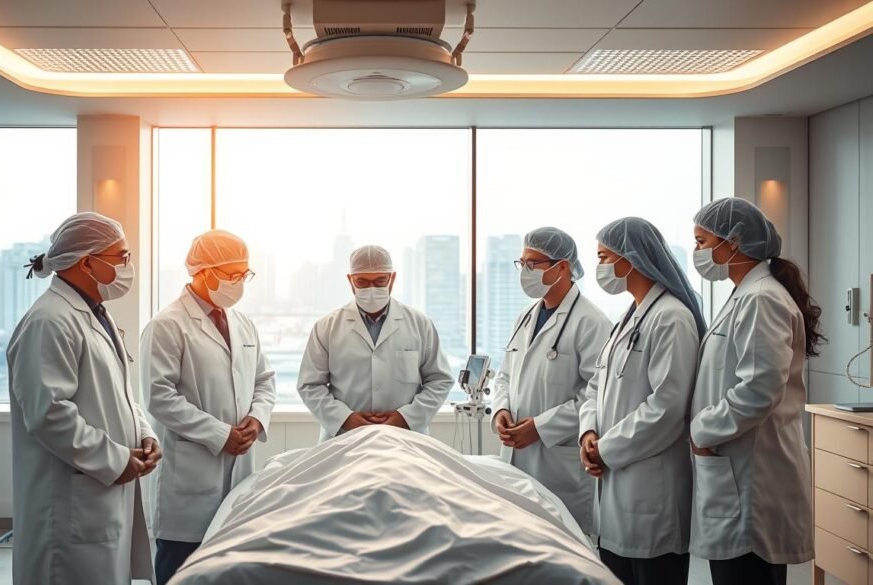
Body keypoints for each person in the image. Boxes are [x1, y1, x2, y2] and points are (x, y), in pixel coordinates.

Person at [7, 212, 159, 585]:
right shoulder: (49, 321)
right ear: (87, 262)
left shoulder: (96, 313)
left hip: (100, 491)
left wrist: (144, 433)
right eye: (120, 257)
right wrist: (115, 459)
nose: (128, 267)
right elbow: (49, 415)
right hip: (70, 503)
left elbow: (120, 393)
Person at [688, 198, 821, 585]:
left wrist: (702, 430)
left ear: (733, 242)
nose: (697, 251)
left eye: (701, 241)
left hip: (752, 478)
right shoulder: (747, 294)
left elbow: (760, 389)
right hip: (737, 469)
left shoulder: (761, 298)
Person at [140, 229, 276, 585]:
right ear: (203, 271)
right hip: (190, 475)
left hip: (239, 469)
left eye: (243, 274)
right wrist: (219, 434)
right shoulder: (166, 325)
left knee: (231, 566)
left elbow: (264, 379)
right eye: (232, 274)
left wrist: (256, 420)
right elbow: (158, 396)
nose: (239, 283)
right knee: (179, 569)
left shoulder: (242, 323)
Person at [578, 217, 705, 585]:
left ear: (630, 258)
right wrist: (589, 433)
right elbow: (596, 385)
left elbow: (667, 406)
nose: (600, 267)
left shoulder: (671, 318)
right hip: (615, 487)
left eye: (604, 257)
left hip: (652, 491)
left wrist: (607, 449)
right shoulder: (628, 318)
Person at [492, 227, 612, 534]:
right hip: (516, 455)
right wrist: (501, 410)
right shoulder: (525, 317)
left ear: (562, 267)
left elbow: (596, 395)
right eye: (522, 264)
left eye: (534, 264)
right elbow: (505, 374)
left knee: (562, 547)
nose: (525, 272)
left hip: (559, 460)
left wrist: (540, 427)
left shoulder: (591, 322)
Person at [297, 245, 454, 441]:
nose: (371, 289)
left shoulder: (420, 324)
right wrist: (346, 419)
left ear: (392, 278)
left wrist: (405, 417)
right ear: (350, 281)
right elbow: (310, 385)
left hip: (406, 437)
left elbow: (440, 380)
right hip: (344, 438)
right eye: (362, 282)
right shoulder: (326, 327)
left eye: (380, 281)